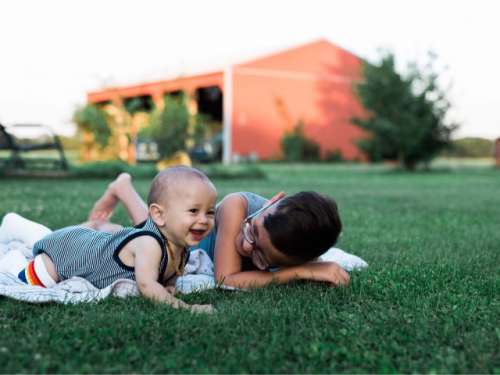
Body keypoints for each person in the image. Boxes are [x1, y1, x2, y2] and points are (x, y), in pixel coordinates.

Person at [89, 172, 350, 289]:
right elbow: (226, 278)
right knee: (155, 232)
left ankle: (115, 211)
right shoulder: (237, 206)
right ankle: (122, 188)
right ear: (272, 201)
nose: (247, 247)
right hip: (192, 238)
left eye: (261, 258)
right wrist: (303, 272)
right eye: (251, 232)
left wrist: (311, 265)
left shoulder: (297, 245)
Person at [16, 166, 217, 313]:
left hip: (94, 243)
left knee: (110, 234)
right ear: (159, 215)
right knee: (34, 277)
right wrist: (187, 308)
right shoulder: (150, 244)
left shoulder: (180, 242)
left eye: (209, 212)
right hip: (69, 252)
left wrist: (169, 283)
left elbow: (171, 269)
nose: (203, 220)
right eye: (193, 211)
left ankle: (95, 226)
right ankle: (14, 238)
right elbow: (147, 286)